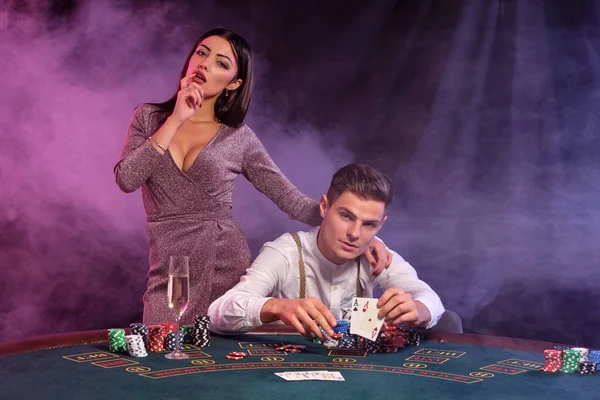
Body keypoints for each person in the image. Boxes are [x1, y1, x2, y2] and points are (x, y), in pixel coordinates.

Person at [114, 28, 391, 325]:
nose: (205, 64)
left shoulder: (239, 139)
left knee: (224, 361)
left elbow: (291, 200)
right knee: (162, 354)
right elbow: (127, 179)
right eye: (201, 53)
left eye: (221, 63)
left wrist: (360, 235)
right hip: (170, 265)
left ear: (233, 83)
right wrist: (176, 118)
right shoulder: (148, 117)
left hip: (225, 261)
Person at [208, 163, 445, 339]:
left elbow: (430, 299)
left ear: (380, 225)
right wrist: (276, 307)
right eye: (346, 216)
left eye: (368, 224)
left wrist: (418, 310)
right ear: (324, 207)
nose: (354, 233)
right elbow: (217, 313)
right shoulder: (285, 252)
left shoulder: (377, 256)